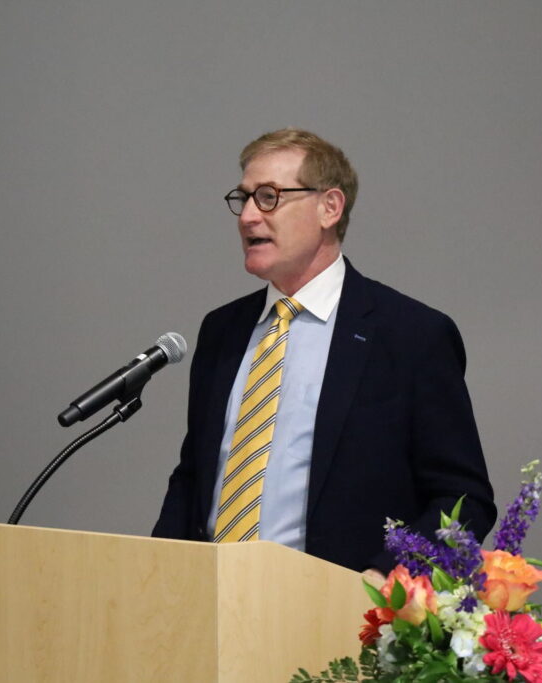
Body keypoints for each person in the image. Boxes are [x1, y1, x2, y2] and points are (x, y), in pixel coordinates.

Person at [152, 128, 495, 574]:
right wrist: (158, 572)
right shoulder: (223, 331)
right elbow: (195, 477)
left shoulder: (410, 334)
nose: (248, 217)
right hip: (212, 609)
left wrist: (387, 578)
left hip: (338, 620)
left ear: (329, 207)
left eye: (269, 197)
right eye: (244, 199)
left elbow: (463, 501)